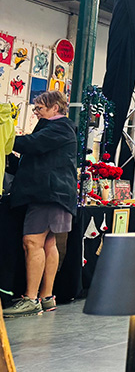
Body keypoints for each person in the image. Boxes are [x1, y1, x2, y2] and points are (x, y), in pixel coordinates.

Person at [3, 91, 76, 317]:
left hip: (48, 194)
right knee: (48, 243)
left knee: (32, 242)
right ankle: (46, 296)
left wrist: (5, 138)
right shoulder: (59, 128)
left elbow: (32, 144)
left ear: (55, 108)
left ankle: (31, 298)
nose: (36, 112)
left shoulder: (59, 127)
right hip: (55, 194)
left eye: (40, 108)